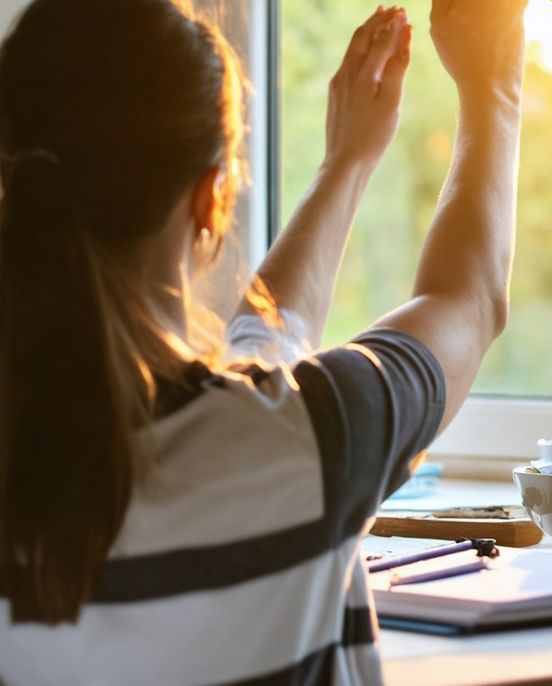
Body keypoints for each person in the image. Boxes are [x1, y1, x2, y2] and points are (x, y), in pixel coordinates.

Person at [0, 0, 525, 682]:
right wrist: (495, 89)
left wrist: (347, 165)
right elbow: (469, 300)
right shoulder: (305, 447)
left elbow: (260, 359)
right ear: (210, 200)